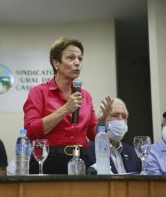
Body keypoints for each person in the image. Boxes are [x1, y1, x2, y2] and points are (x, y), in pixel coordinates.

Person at [23, 37, 111, 174]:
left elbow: (93, 136)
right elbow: (31, 131)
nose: (77, 63)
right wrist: (65, 109)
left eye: (80, 59)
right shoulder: (39, 92)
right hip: (48, 161)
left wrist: (102, 120)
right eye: (71, 58)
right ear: (56, 63)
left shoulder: (85, 95)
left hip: (81, 159)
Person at [87, 98, 142, 174]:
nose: (120, 119)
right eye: (115, 115)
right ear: (102, 119)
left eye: (124, 117)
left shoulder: (133, 153)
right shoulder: (89, 150)